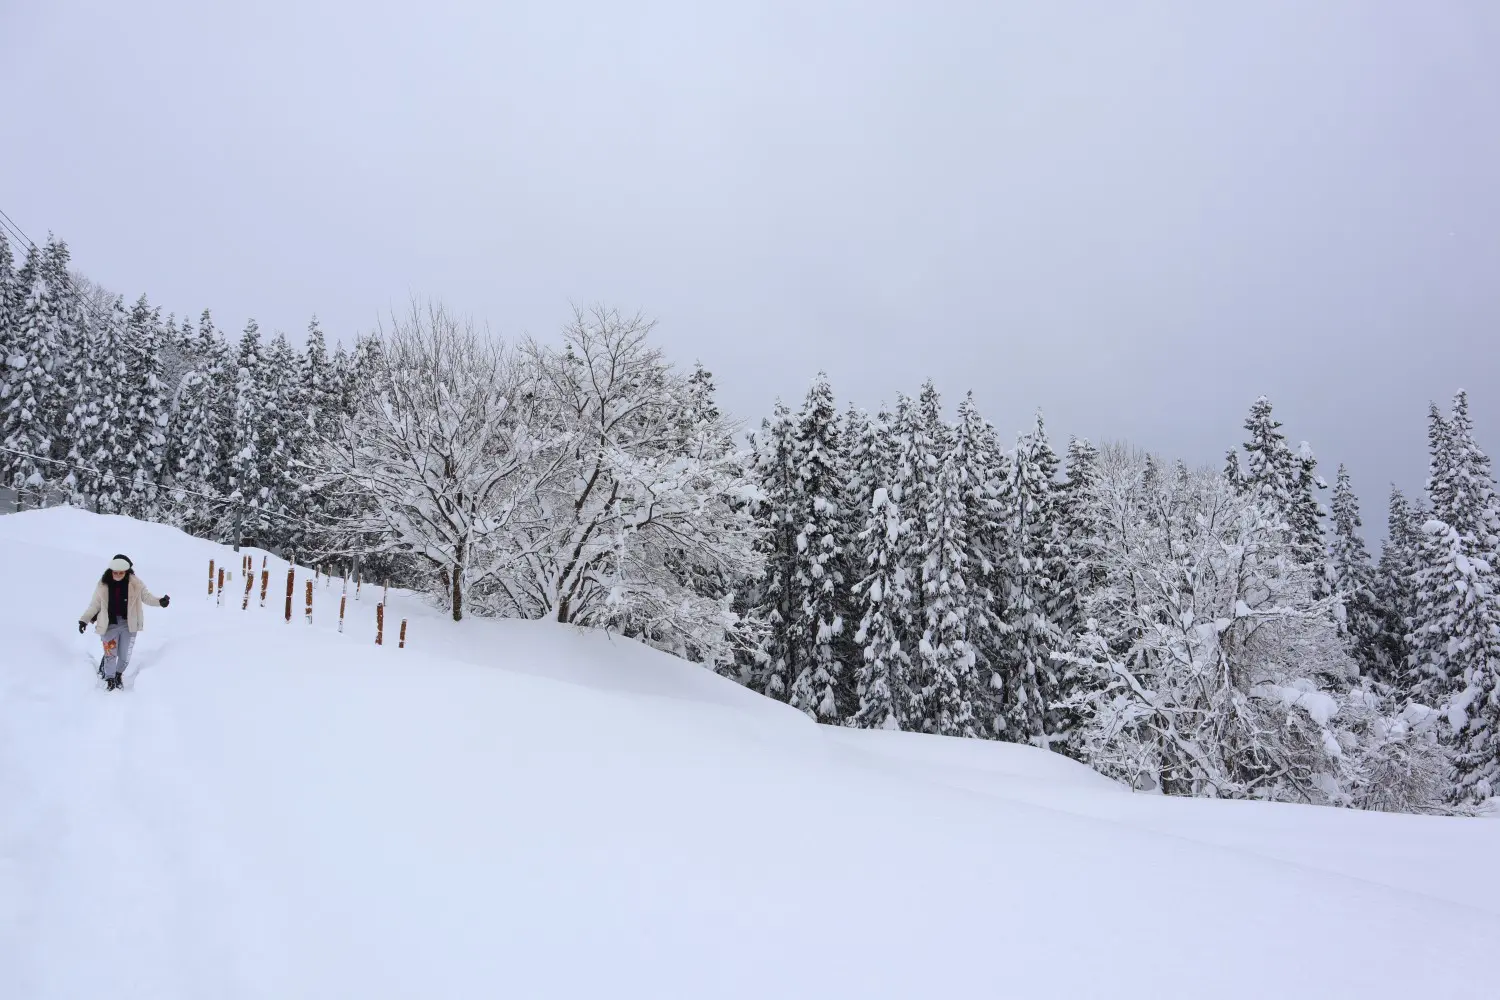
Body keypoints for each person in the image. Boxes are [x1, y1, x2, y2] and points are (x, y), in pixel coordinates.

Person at [78, 554, 170, 691]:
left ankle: (118, 674)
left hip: (128, 624)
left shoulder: (135, 583)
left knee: (124, 654)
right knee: (110, 653)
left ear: (127, 571)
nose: (118, 575)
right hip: (109, 624)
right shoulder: (103, 584)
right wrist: (84, 620)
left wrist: (160, 601)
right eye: (116, 572)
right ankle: (109, 678)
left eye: (122, 572)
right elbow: (94, 605)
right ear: (111, 571)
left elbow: (146, 596)